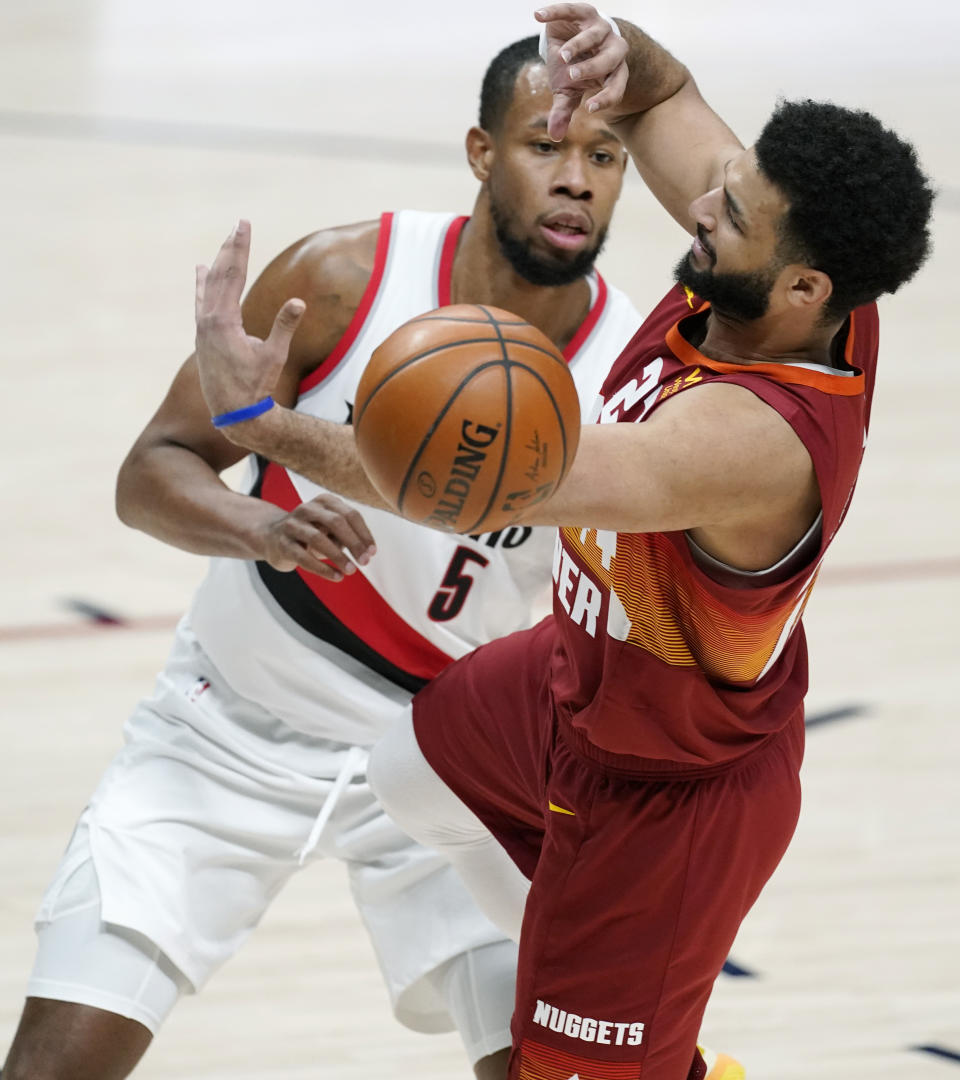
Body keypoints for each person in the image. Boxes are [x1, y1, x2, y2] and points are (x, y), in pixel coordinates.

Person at [182, 5, 935, 1079]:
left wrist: (263, 426)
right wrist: (620, 52)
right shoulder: (788, 274)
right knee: (412, 773)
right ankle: (617, 1008)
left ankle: (626, 1015)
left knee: (563, 1061)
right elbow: (667, 96)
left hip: (671, 792)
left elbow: (476, 483)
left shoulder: (750, 439)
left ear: (806, 289)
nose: (704, 200)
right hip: (579, 682)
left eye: (736, 210)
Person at [2, 35, 652, 1080]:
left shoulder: (626, 378)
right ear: (483, 152)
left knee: (547, 1068)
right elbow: (151, 470)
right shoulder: (346, 279)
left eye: (607, 156)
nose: (577, 177)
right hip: (231, 719)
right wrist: (259, 526)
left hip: (452, 751)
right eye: (547, 146)